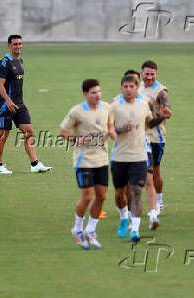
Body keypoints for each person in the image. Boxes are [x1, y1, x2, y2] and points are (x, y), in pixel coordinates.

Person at [109, 76, 169, 242]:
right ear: (121, 87)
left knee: (136, 191)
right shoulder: (113, 106)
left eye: (131, 86)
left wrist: (162, 117)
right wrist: (121, 129)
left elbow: (149, 124)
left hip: (140, 155)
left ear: (137, 88)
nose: (128, 89)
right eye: (125, 86)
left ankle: (135, 229)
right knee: (120, 193)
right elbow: (107, 129)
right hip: (120, 156)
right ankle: (123, 218)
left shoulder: (144, 105)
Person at [60, 79, 116, 249]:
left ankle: (90, 231)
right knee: (87, 196)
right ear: (85, 94)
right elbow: (63, 132)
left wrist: (115, 135)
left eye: (99, 91)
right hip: (84, 160)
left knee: (102, 196)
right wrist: (76, 139)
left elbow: (109, 127)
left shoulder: (106, 107)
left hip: (102, 160)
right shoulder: (77, 112)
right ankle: (77, 229)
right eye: (93, 92)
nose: (97, 95)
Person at [0, 34, 52, 174]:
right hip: (5, 106)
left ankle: (35, 164)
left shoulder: (20, 60)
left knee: (29, 132)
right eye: (15, 44)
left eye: (20, 43)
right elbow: (0, 85)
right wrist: (8, 101)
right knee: (3, 136)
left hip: (19, 104)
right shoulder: (5, 62)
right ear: (9, 46)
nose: (18, 46)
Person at [139, 60, 172, 212]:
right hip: (138, 137)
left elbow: (168, 113)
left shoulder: (161, 91)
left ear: (156, 74)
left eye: (152, 74)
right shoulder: (137, 87)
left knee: (154, 171)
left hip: (155, 138)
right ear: (142, 73)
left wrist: (150, 121)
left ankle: (158, 201)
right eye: (147, 74)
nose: (149, 77)